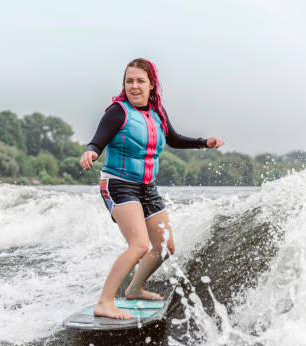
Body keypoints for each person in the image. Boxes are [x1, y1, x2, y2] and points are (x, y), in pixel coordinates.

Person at [79, 58, 224, 319]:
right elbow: (97, 141)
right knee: (138, 246)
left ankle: (134, 289)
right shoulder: (117, 111)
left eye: (140, 81)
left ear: (151, 84)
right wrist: (90, 152)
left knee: (165, 246)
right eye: (129, 81)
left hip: (146, 188)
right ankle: (105, 301)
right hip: (118, 184)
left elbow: (174, 139)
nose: (134, 86)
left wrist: (204, 142)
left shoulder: (158, 112)